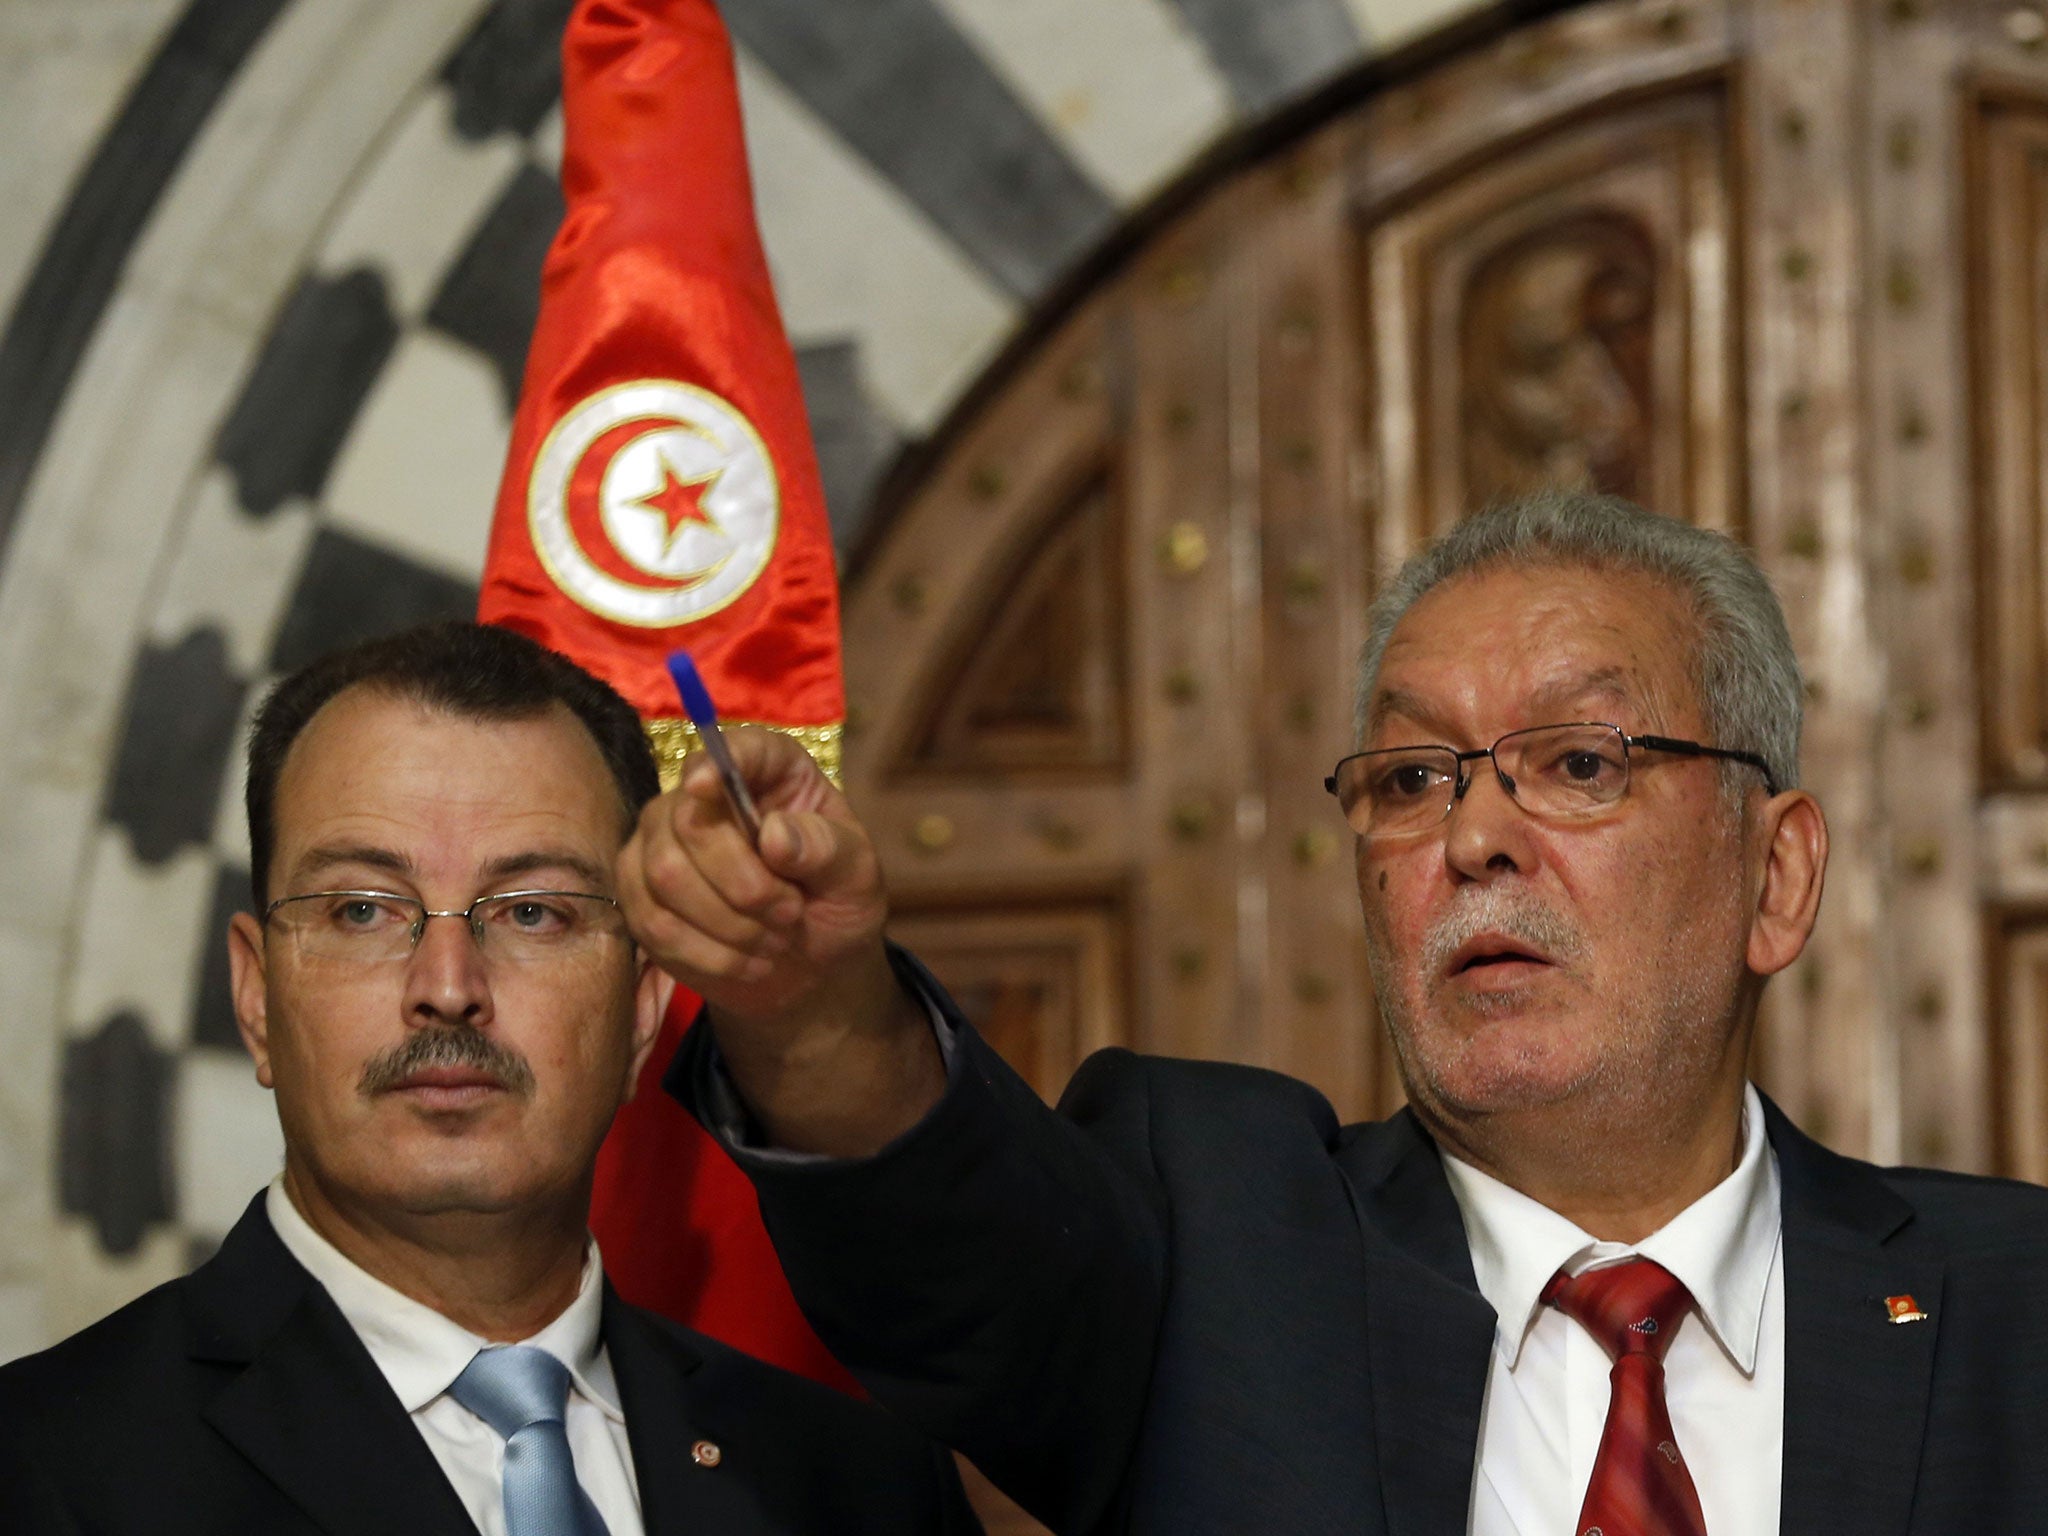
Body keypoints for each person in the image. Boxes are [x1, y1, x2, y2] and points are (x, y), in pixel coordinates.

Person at [623, 491, 2048, 1535]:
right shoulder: (1219, 1250)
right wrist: (812, 1004)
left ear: (1776, 874)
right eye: (1413, 779)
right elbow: (953, 1238)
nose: (1475, 836)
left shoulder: (2016, 1312)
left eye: (1578, 761)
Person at [0, 622, 977, 1535]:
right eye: (360, 911)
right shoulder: (41, 1469)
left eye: (532, 914)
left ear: (642, 1009)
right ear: (257, 997)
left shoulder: (860, 1486)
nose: (448, 988)